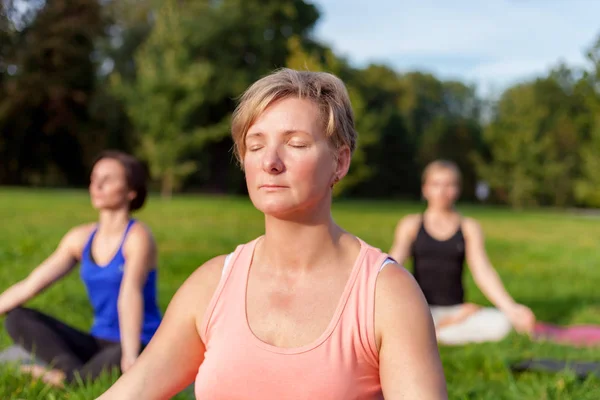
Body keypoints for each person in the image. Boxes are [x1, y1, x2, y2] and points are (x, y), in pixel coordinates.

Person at [96, 68, 448, 400]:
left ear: (339, 162)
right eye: (256, 144)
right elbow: (131, 393)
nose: (270, 162)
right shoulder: (210, 285)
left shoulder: (385, 295)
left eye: (295, 144)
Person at [0, 150, 162, 386]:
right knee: (16, 317)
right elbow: (32, 284)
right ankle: (71, 374)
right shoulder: (79, 238)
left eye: (108, 179)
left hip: (138, 340)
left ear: (131, 191)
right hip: (97, 342)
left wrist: (130, 355)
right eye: (95, 178)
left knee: (119, 358)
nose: (97, 184)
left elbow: (130, 294)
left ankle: (65, 377)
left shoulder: (138, 237)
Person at [388, 160, 536, 345]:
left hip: (457, 310)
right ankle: (438, 330)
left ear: (457, 189)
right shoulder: (411, 224)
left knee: (502, 323)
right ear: (425, 189)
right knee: (397, 320)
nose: (442, 191)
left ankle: (434, 332)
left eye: (449, 184)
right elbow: (393, 265)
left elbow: (482, 271)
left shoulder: (468, 227)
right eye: (436, 184)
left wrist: (511, 309)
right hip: (421, 309)